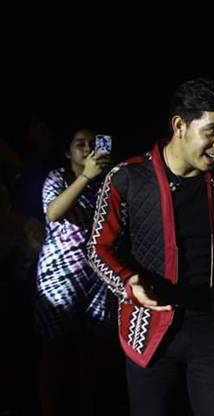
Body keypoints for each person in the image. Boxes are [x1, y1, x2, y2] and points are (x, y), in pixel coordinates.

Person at [87, 77, 214, 416]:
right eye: (212, 132)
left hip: (209, 326)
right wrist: (127, 283)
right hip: (149, 328)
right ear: (179, 126)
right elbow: (98, 248)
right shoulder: (126, 177)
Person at [35, 127, 116, 415]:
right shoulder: (58, 178)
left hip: (97, 278)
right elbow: (53, 213)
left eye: (92, 143)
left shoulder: (109, 182)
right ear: (67, 152)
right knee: (56, 349)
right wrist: (85, 177)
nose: (87, 148)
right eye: (79, 143)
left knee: (92, 351)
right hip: (59, 275)